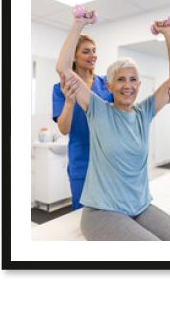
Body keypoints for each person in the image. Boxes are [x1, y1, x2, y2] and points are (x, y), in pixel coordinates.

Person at [56, 10, 170, 241]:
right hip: (102, 212)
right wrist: (78, 24)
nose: (127, 85)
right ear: (108, 86)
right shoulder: (98, 110)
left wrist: (168, 34)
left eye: (132, 80)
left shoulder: (144, 112)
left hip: (139, 207)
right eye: (120, 79)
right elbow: (63, 68)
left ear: (139, 85)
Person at [52, 27, 113, 210]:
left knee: (111, 212)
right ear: (74, 56)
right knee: (83, 213)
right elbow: (63, 129)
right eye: (86, 51)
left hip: (108, 158)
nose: (92, 55)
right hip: (82, 161)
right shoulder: (62, 87)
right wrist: (70, 102)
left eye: (94, 51)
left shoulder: (107, 83)